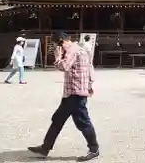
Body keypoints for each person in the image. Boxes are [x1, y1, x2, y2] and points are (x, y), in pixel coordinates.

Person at [28, 33, 99, 161]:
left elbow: (64, 66)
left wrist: (57, 56)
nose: (59, 48)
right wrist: (90, 84)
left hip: (75, 93)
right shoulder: (80, 48)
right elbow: (90, 68)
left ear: (61, 42)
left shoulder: (72, 50)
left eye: (58, 45)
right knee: (57, 119)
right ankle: (45, 147)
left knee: (83, 122)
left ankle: (94, 149)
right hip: (73, 93)